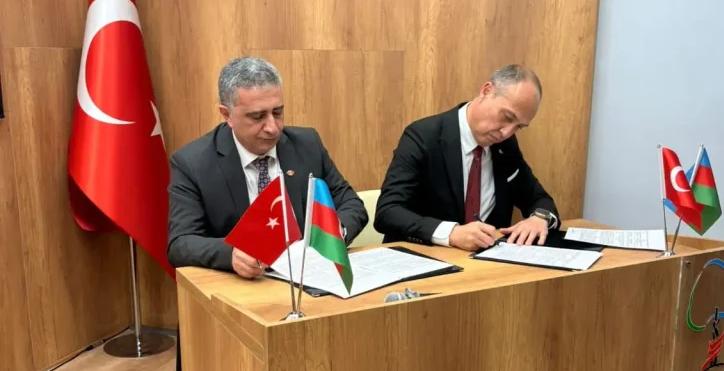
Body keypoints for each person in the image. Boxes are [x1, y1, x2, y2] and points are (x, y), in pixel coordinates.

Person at [168, 57, 367, 278]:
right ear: (227, 115)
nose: (272, 128)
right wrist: (230, 254)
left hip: (310, 277)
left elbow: (351, 204)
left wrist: (334, 234)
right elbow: (180, 242)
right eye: (257, 116)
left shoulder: (307, 144)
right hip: (244, 284)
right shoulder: (193, 163)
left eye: (278, 113)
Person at [374, 64, 559, 252]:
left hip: (486, 262)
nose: (507, 132)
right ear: (486, 91)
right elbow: (388, 212)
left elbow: (538, 198)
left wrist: (540, 218)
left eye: (519, 127)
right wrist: (451, 233)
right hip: (427, 258)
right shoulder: (424, 136)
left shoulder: (505, 146)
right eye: (507, 117)